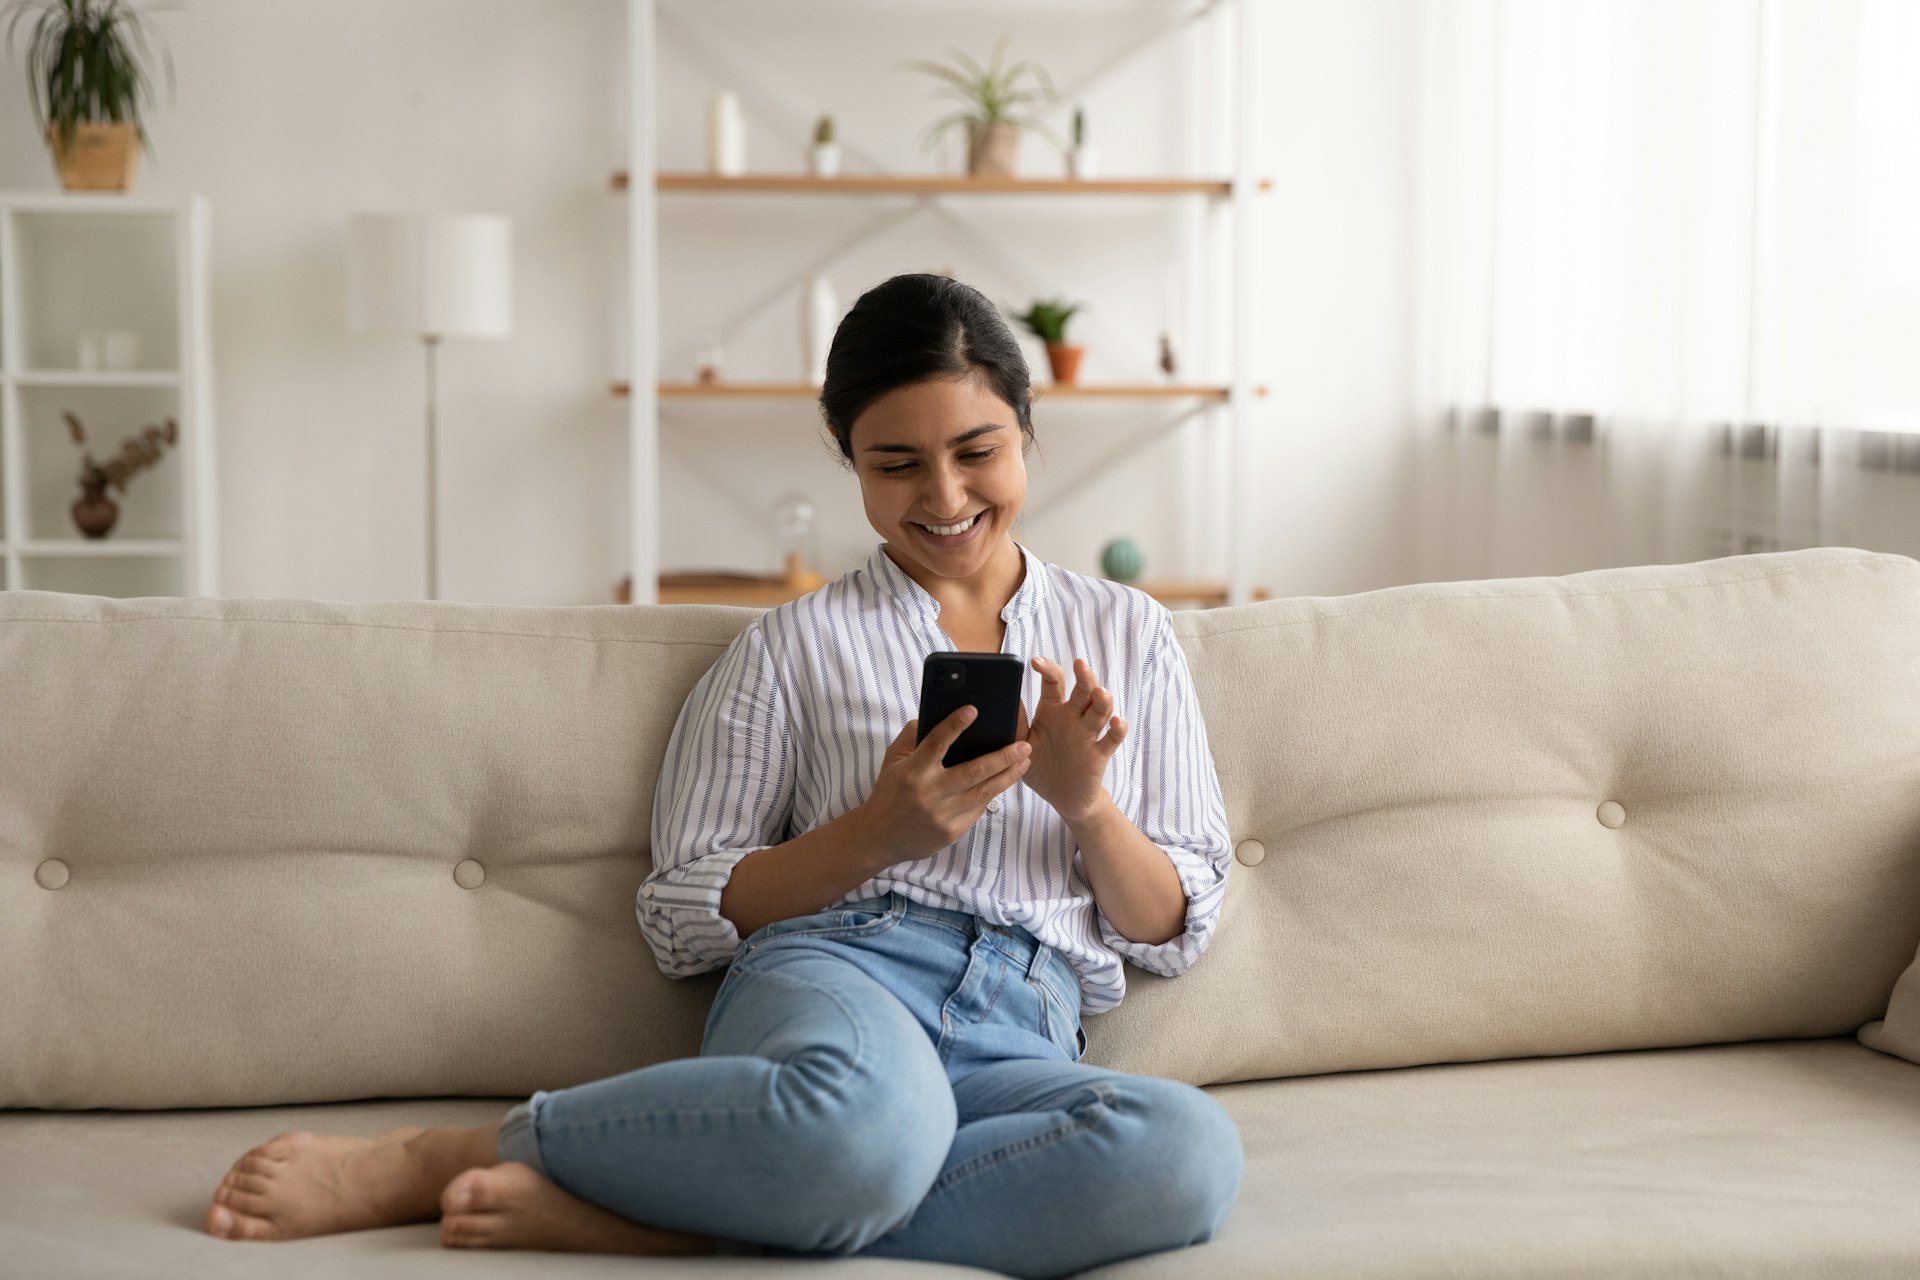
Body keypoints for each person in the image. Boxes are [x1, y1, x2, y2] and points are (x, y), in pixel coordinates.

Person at [202, 273, 1243, 1278]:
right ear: (847, 457)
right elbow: (681, 913)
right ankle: (443, 1156)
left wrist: (1086, 803)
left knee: (1187, 1153)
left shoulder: (1130, 631)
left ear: (1027, 425)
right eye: (896, 463)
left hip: (1026, 1017)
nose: (945, 496)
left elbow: (1170, 924)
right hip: (844, 979)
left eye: (979, 450)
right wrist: (877, 834)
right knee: (868, 1127)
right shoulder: (787, 648)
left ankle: (676, 1228)